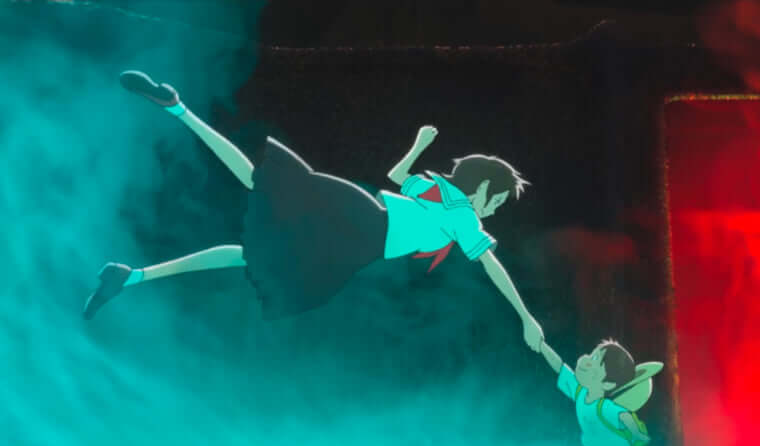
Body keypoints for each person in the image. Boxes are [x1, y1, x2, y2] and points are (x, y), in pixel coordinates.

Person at [84, 71, 545, 352]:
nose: (495, 210)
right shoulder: (463, 216)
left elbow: (397, 174)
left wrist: (420, 145)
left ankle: (132, 275)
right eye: (498, 200)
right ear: (484, 189)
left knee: (252, 243)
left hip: (358, 217)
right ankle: (178, 111)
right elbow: (492, 265)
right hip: (361, 232)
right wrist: (527, 319)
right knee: (258, 209)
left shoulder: (436, 188)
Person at [538, 338, 663, 446]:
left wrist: (636, 434)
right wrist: (542, 346)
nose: (586, 359)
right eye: (592, 355)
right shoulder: (580, 393)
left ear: (607, 384)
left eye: (596, 361)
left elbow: (625, 416)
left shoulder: (604, 406)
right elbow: (559, 366)